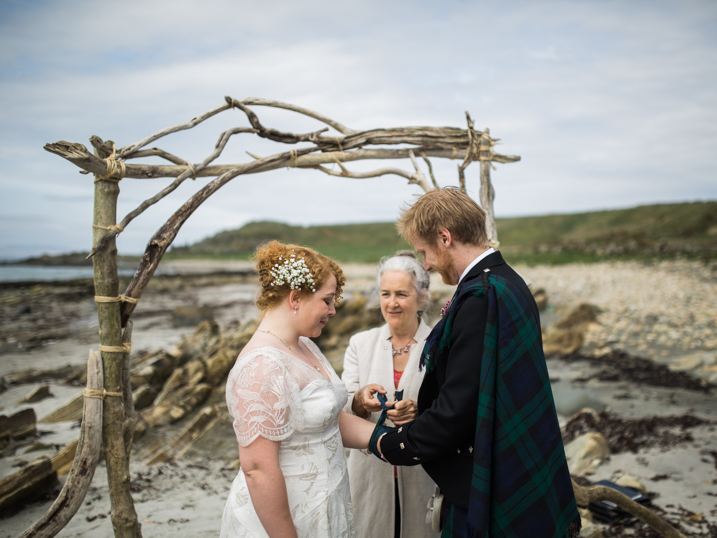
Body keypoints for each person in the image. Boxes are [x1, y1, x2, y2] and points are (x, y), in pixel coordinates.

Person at [372, 188, 581, 538]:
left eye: (424, 252)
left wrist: (385, 443)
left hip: (496, 478)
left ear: (445, 237)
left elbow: (457, 410)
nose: (425, 264)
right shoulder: (510, 282)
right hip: (521, 463)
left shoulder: (480, 296)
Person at [221, 241, 375, 538]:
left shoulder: (305, 345)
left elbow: (326, 420)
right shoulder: (261, 367)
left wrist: (392, 440)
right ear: (295, 298)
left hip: (325, 506)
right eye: (327, 300)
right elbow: (257, 469)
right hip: (286, 521)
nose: (333, 310)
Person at [342, 251, 439, 538]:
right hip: (368, 475)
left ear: (422, 296)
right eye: (385, 294)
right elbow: (342, 406)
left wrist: (420, 413)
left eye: (401, 294)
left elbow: (453, 408)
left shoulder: (439, 343)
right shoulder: (360, 343)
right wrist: (360, 399)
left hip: (424, 475)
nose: (392, 303)